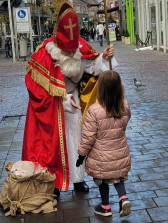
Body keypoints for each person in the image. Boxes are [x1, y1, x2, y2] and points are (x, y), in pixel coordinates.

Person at [22, 2, 118, 198]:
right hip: (53, 105)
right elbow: (35, 87)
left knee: (77, 141)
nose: (69, 54)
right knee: (55, 145)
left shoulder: (80, 47)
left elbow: (93, 69)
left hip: (75, 99)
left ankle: (78, 179)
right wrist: (63, 100)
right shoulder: (45, 53)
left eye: (71, 51)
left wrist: (104, 57)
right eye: (65, 52)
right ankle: (54, 183)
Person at [76, 70, 131, 217]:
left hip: (100, 155)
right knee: (118, 176)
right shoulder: (124, 106)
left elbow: (88, 137)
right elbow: (124, 125)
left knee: (103, 180)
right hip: (119, 151)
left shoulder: (94, 110)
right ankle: (123, 198)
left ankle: (105, 207)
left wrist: (81, 155)